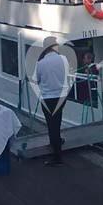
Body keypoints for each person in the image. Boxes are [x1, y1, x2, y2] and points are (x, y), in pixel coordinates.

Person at [35, 37, 69, 166]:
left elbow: (37, 79)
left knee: (51, 125)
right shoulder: (64, 59)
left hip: (48, 97)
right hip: (61, 96)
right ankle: (57, 142)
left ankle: (57, 156)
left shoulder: (41, 63)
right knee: (58, 121)